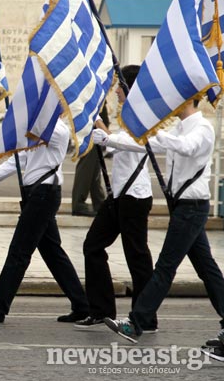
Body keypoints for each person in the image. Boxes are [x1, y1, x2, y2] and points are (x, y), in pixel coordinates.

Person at [101, 98, 224, 343]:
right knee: (207, 270)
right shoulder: (178, 129)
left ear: (189, 100)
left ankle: (136, 323)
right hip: (183, 206)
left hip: (192, 207)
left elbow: (186, 147)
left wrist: (156, 132)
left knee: (165, 267)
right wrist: (109, 139)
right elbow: (145, 144)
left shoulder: (202, 129)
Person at [0, 118, 89, 324]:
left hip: (44, 195)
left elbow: (44, 130)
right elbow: (13, 163)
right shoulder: (37, 135)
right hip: (36, 195)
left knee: (19, 252)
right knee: (53, 253)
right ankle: (82, 305)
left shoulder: (57, 130)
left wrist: (22, 120)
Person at [75, 65, 157, 331]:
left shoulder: (144, 113)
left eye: (119, 86)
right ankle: (101, 310)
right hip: (119, 195)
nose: (116, 91)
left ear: (129, 87)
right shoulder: (126, 114)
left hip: (135, 196)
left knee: (137, 256)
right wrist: (99, 125)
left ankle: (145, 317)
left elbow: (141, 143)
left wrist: (107, 139)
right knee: (92, 246)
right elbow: (118, 142)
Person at [71, 107, 109, 216]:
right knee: (87, 164)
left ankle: (99, 201)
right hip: (91, 123)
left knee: (94, 165)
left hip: (97, 121)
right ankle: (78, 203)